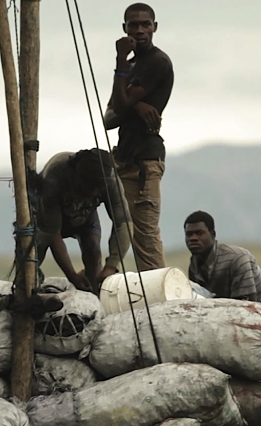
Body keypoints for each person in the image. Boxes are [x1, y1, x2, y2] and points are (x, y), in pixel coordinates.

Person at [102, 3, 174, 277]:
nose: (140, 30)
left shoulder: (157, 62)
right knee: (121, 226)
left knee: (144, 236)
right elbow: (109, 118)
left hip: (144, 161)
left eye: (146, 24)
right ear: (125, 29)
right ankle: (108, 272)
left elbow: (118, 108)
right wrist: (136, 105)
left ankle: (159, 302)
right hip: (126, 158)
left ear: (155, 27)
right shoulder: (132, 65)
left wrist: (120, 63)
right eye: (134, 25)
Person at [33, 149, 133, 293]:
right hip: (47, 216)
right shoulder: (55, 176)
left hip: (85, 215)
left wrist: (111, 266)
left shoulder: (110, 180)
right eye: (90, 187)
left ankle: (93, 293)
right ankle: (26, 290)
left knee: (93, 248)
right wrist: (72, 276)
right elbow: (52, 233)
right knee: (35, 251)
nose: (94, 192)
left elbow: (124, 224)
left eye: (98, 189)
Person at [184, 210, 261, 306]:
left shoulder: (238, 259)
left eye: (199, 233)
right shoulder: (194, 266)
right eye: (189, 234)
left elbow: (248, 306)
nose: (193, 238)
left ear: (212, 235)